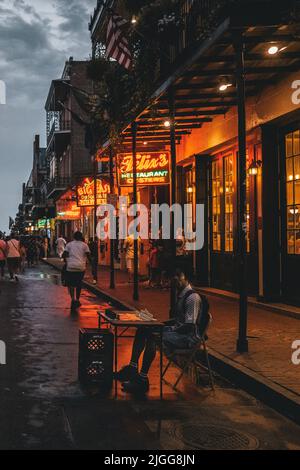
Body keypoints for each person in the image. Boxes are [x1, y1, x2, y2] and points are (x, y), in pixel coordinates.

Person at [114, 267, 202, 394]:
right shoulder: (182, 295)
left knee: (153, 337)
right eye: (174, 276)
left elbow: (189, 326)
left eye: (179, 276)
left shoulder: (192, 298)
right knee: (143, 329)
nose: (175, 279)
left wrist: (166, 328)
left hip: (187, 338)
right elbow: (177, 320)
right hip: (177, 332)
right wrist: (156, 323)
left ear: (186, 278)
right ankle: (132, 367)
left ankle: (142, 379)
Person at [63, 231, 91, 309]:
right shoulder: (84, 245)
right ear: (81, 237)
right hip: (81, 267)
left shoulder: (69, 244)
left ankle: (73, 299)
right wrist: (91, 265)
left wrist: (67, 260)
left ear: (73, 237)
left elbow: (64, 254)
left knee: (71, 284)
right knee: (78, 283)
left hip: (70, 267)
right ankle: (78, 299)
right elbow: (88, 255)